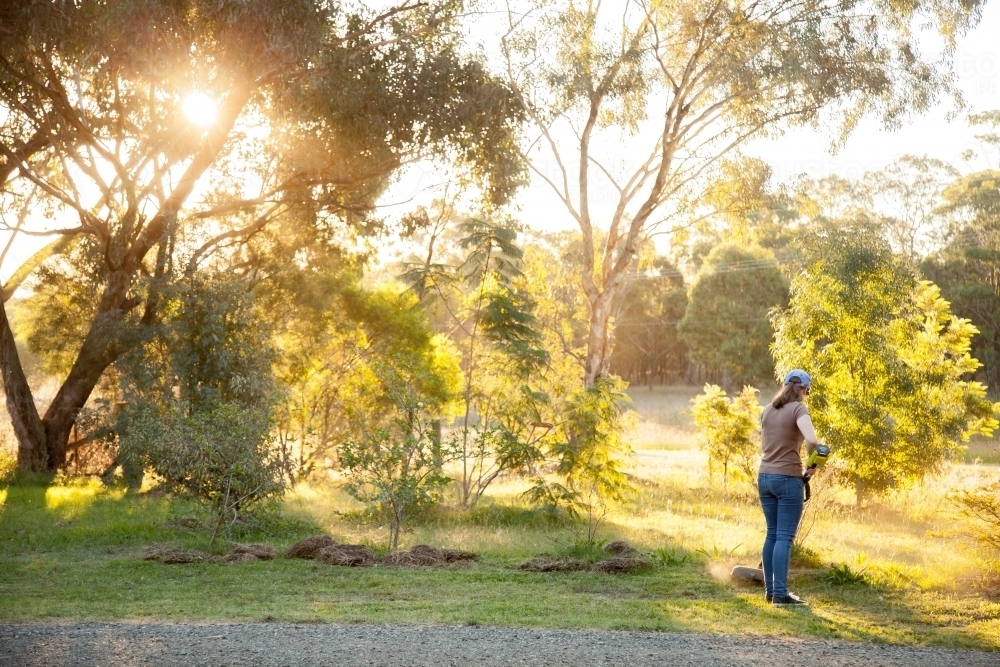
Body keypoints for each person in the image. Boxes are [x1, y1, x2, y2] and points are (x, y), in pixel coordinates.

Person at [758, 369, 821, 606]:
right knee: (784, 536)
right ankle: (781, 595)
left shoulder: (767, 409)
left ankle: (770, 591)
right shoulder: (799, 408)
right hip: (787, 478)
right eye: (807, 391)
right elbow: (813, 440)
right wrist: (812, 464)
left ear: (784, 386)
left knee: (772, 533)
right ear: (804, 389)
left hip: (764, 477)